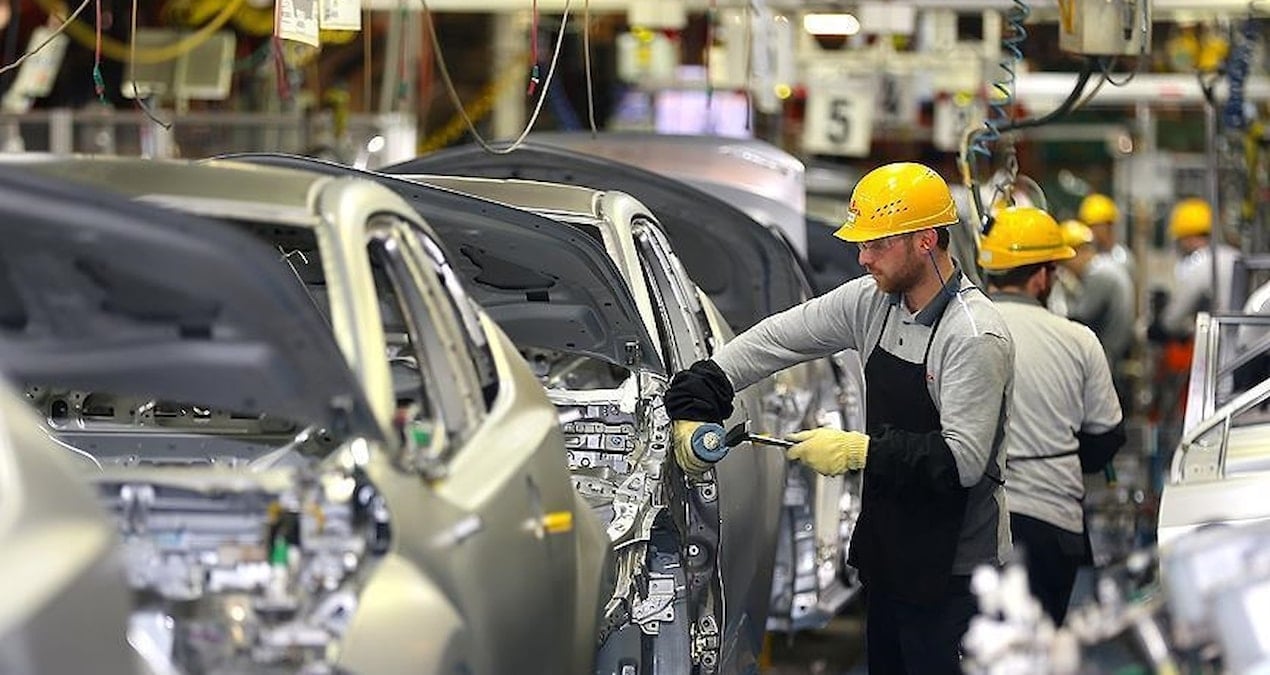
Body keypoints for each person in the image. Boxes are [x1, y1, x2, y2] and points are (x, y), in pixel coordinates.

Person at [666, 162, 1014, 675]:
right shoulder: (873, 303)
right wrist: (705, 388)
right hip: (889, 555)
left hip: (955, 572)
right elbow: (780, 338)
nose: (862, 257)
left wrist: (857, 450)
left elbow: (960, 462)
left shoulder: (973, 335)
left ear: (925, 241)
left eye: (877, 244)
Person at [978, 206, 1126, 625]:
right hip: (1051, 523)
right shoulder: (1078, 340)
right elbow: (1106, 438)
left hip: (972, 526)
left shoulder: (960, 331)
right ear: (1042, 277)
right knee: (1042, 643)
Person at [1060, 219, 1136, 412]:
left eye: (1064, 262)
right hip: (1115, 348)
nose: (1065, 268)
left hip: (1110, 351)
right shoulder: (1106, 266)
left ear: (1076, 253)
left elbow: (1080, 315)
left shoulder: (1098, 274)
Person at [1155, 197, 1243, 340]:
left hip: (1220, 342)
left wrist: (1159, 328)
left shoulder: (1197, 263)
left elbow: (1174, 319)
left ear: (1187, 238)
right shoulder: (1234, 255)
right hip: (1249, 340)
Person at [1078, 192, 1136, 278]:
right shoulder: (1086, 258)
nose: (1089, 232)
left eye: (1093, 226)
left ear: (1108, 226)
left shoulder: (1122, 259)